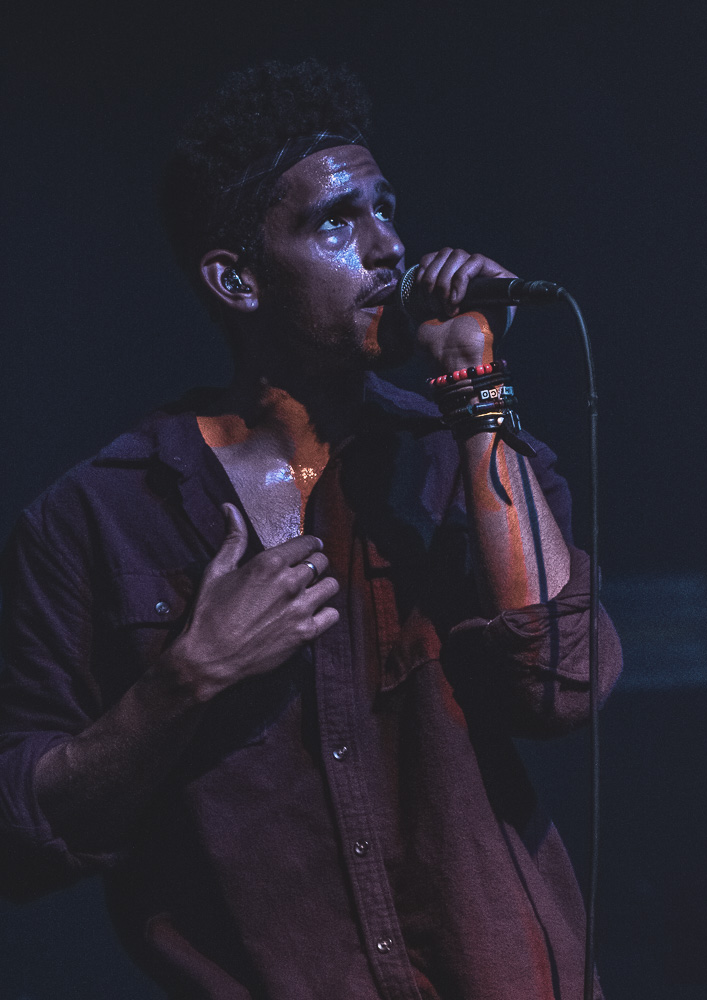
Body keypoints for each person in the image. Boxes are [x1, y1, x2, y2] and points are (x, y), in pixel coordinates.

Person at [0, 60, 622, 1000]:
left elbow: (559, 687)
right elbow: (20, 840)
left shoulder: (456, 456)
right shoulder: (94, 518)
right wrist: (183, 680)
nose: (387, 248)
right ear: (237, 279)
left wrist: (474, 388)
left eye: (385, 208)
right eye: (336, 221)